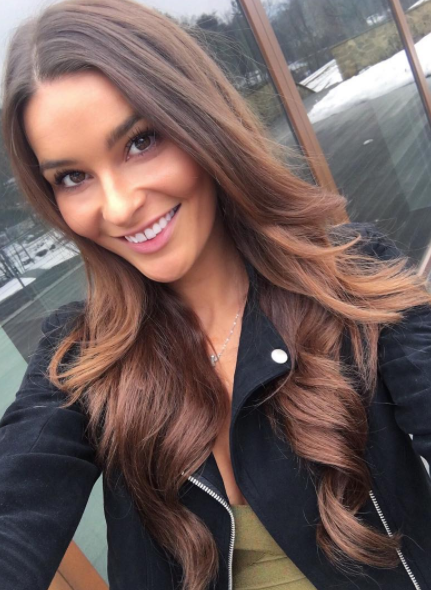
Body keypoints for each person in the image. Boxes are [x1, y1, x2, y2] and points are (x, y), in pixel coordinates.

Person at [1, 0, 431, 588]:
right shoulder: (79, 361)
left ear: (200, 122)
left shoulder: (349, 277)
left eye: (141, 141)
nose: (120, 206)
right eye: (73, 177)